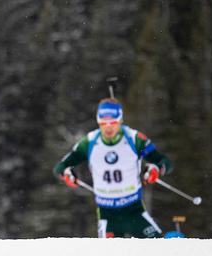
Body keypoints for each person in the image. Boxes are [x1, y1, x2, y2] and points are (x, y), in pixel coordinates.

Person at [53, 98, 173, 238]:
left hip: (134, 209)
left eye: (113, 123)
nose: (108, 127)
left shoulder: (133, 138)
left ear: (120, 120)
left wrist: (156, 169)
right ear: (98, 121)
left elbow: (164, 162)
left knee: (160, 248)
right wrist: (67, 173)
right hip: (107, 214)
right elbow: (60, 167)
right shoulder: (90, 141)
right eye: (103, 123)